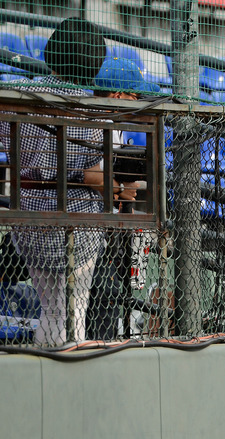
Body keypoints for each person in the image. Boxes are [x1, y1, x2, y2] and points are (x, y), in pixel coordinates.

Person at [0, 17, 107, 346]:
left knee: (51, 309)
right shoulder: (92, 109)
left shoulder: (17, 95)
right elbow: (93, 175)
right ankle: (69, 368)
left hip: (29, 221)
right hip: (79, 225)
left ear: (53, 52)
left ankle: (45, 364)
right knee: (74, 310)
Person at [85, 56, 160, 340]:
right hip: (84, 227)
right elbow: (87, 175)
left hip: (100, 228)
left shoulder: (112, 124)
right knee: (104, 296)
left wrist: (122, 186)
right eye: (134, 96)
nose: (137, 102)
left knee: (104, 296)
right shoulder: (96, 122)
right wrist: (119, 189)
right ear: (117, 96)